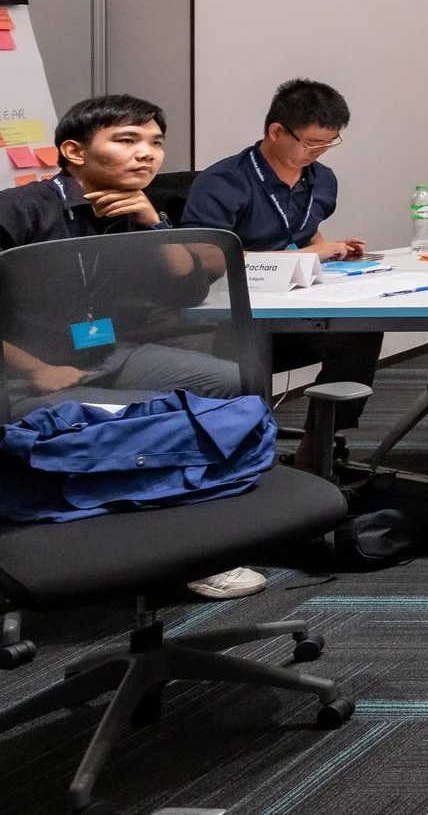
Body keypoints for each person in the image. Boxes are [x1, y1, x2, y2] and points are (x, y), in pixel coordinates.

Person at [0, 95, 265, 602]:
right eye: (127, 140)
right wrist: (35, 368)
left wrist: (153, 225)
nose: (147, 154)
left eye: (155, 143)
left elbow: (186, 292)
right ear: (75, 152)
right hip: (24, 374)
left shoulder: (132, 210)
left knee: (237, 384)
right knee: (151, 420)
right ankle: (185, 551)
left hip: (107, 354)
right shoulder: (18, 212)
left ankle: (221, 522)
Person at [180, 80, 384, 468]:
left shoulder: (321, 179)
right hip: (235, 320)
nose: (319, 152)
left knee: (361, 326)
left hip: (291, 306)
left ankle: (319, 443)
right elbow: (207, 258)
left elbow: (307, 233)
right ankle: (240, 452)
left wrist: (330, 254)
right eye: (310, 143)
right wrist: (308, 253)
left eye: (329, 142)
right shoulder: (225, 181)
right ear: (276, 131)